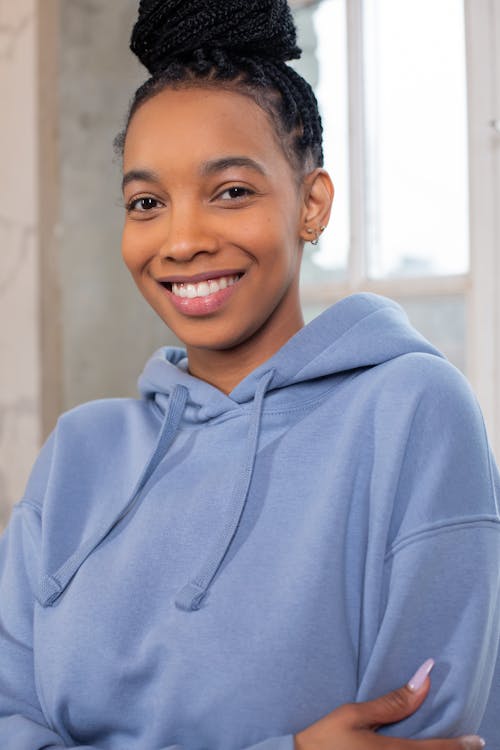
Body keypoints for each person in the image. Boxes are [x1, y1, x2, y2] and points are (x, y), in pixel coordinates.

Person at [0, 1, 499, 748]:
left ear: (311, 203)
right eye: (147, 203)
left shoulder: (412, 414)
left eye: (231, 191)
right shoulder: (79, 454)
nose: (184, 239)